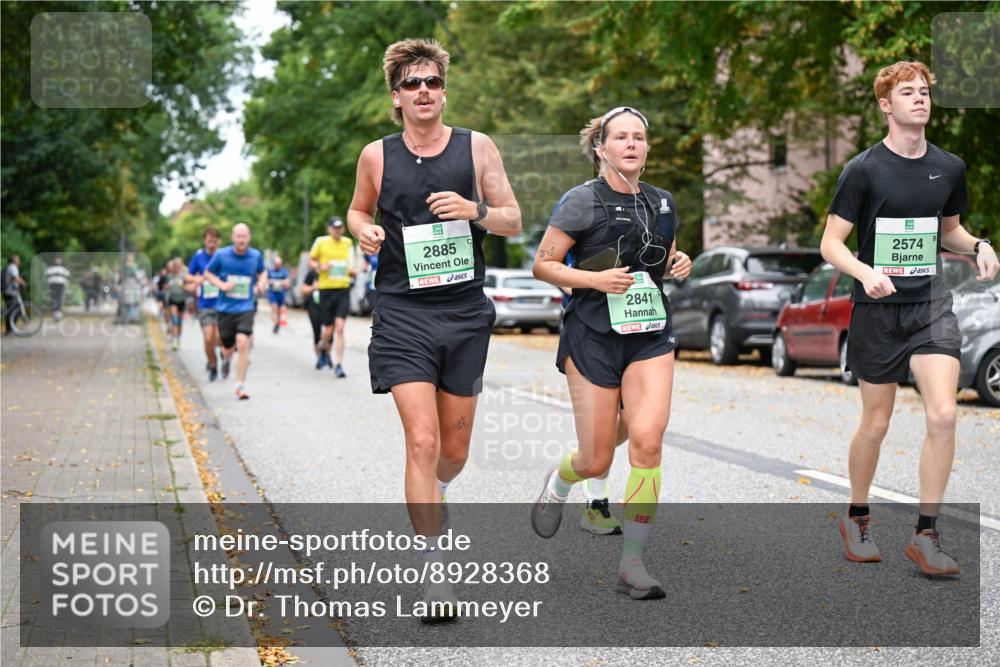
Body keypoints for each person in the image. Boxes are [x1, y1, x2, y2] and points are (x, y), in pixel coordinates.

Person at [346, 38, 521, 621]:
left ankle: (439, 488)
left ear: (443, 92)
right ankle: (434, 571)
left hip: (464, 312)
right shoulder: (377, 155)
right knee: (421, 442)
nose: (424, 91)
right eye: (412, 84)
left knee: (454, 450)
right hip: (402, 312)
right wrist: (363, 231)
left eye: (433, 82)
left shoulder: (477, 147)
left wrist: (474, 211)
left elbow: (513, 219)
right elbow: (358, 209)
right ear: (396, 97)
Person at [821, 61, 999, 577]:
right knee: (876, 423)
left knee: (943, 414)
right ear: (885, 105)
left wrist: (980, 245)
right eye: (907, 92)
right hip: (877, 310)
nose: (919, 98)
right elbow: (831, 243)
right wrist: (864, 271)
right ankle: (857, 517)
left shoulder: (949, 166)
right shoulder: (863, 170)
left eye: (924, 91)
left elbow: (950, 230)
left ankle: (926, 534)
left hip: (929, 307)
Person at [529, 106, 692, 601]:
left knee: (647, 440)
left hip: (648, 332)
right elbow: (543, 265)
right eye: (621, 137)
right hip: (592, 333)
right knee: (596, 456)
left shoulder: (662, 202)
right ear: (601, 148)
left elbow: (660, 258)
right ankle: (562, 479)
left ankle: (632, 563)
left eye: (639, 137)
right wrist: (594, 280)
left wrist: (679, 262)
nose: (631, 144)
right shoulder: (581, 201)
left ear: (647, 147)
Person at [204, 223, 267, 400]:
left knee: (243, 342)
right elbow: (208, 273)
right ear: (233, 238)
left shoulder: (255, 255)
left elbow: (263, 272)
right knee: (227, 347)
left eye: (244, 236)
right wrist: (222, 285)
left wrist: (261, 284)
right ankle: (226, 358)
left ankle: (240, 385)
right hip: (225, 309)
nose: (241, 240)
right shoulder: (221, 255)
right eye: (238, 236)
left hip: (245, 307)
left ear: (249, 237)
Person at [309, 216, 356, 376]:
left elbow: (352, 266)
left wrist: (352, 271)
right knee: (328, 329)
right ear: (329, 229)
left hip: (343, 289)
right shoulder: (321, 242)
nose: (338, 230)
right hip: (326, 290)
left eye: (340, 227)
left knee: (340, 327)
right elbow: (311, 262)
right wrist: (321, 266)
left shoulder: (348, 243)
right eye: (335, 228)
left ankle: (339, 364)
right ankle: (323, 349)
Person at [187, 227, 223, 381]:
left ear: (219, 241)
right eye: (209, 241)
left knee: (219, 338)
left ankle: (221, 352)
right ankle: (213, 366)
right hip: (205, 304)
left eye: (214, 241)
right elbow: (188, 276)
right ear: (204, 241)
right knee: (208, 338)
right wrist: (197, 279)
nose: (211, 244)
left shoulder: (223, 255)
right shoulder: (199, 257)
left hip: (222, 304)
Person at [300, 267, 324, 368]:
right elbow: (303, 289)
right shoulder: (311, 273)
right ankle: (319, 358)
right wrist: (313, 287)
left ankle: (326, 354)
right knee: (317, 333)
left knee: (328, 333)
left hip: (327, 306)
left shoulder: (329, 272)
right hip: (313, 307)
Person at [165, 258, 188, 350]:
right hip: (172, 300)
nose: (176, 267)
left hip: (181, 300)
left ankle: (178, 338)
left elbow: (188, 287)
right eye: (175, 265)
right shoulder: (169, 276)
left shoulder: (184, 276)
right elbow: (165, 288)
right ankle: (174, 339)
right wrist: (168, 286)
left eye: (178, 265)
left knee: (180, 322)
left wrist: (181, 285)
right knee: (175, 320)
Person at [3, 254, 27, 334]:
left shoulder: (8, 267)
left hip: (7, 292)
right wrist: (23, 283)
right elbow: (16, 277)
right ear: (14, 261)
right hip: (11, 292)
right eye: (18, 259)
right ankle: (10, 329)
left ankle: (10, 329)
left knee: (11, 310)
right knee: (14, 310)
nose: (19, 261)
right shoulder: (13, 267)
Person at [266, 256, 291, 334]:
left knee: (279, 310)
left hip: (281, 293)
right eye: (276, 264)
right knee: (274, 307)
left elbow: (287, 281)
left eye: (279, 264)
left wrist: (283, 283)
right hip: (272, 292)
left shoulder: (284, 271)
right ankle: (275, 322)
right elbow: (265, 280)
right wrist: (272, 282)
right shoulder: (270, 271)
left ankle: (277, 324)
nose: (277, 265)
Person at [45, 255, 71, 321]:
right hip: (53, 284)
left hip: (60, 284)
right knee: (54, 297)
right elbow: (47, 275)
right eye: (57, 259)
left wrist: (66, 284)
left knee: (58, 297)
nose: (58, 261)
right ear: (54, 260)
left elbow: (67, 276)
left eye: (59, 259)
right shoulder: (51, 267)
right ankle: (55, 312)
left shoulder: (63, 268)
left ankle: (57, 312)